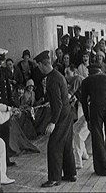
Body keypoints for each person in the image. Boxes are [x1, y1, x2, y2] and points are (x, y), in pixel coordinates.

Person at [34, 50, 76, 187]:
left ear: (42, 64)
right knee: (66, 144)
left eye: (38, 66)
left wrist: (52, 122)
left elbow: (57, 104)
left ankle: (54, 178)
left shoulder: (52, 79)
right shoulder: (57, 75)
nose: (38, 69)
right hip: (68, 113)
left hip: (61, 116)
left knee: (54, 146)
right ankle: (70, 174)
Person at [81, 64, 106, 176]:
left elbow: (83, 102)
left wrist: (87, 119)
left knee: (98, 139)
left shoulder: (86, 81)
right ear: (99, 70)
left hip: (96, 109)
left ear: (89, 72)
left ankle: (103, 170)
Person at [64, 65, 90, 169]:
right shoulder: (79, 80)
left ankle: (78, 162)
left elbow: (68, 96)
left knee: (78, 133)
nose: (66, 76)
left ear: (74, 73)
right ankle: (84, 154)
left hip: (92, 108)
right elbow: (74, 97)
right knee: (75, 130)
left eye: (67, 73)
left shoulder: (77, 78)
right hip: (89, 108)